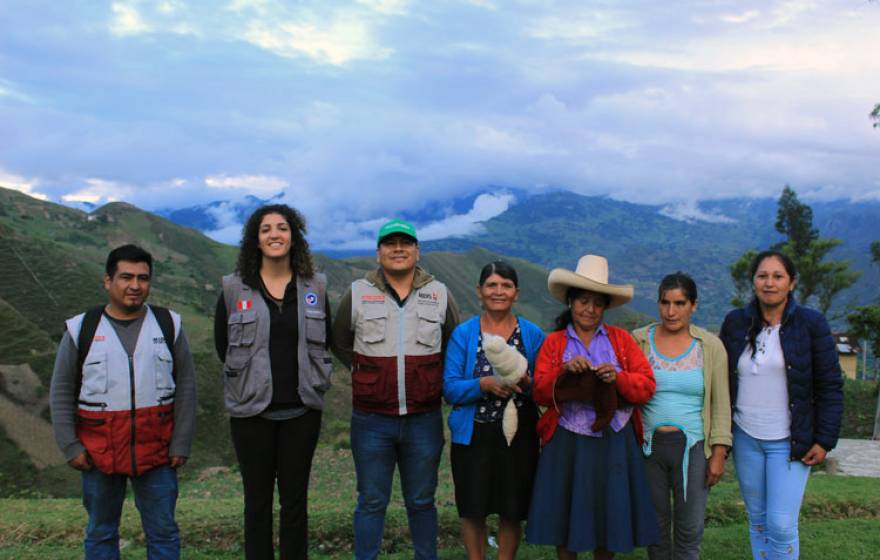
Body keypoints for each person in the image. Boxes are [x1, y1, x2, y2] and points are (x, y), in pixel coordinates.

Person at [49, 244, 197, 559]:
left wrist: (181, 443)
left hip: (157, 451)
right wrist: (70, 446)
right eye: (126, 277)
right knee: (101, 533)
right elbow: (61, 389)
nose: (135, 286)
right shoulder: (82, 329)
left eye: (143, 278)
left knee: (164, 533)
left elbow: (186, 385)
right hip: (98, 452)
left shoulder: (169, 325)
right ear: (108, 281)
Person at [332, 218, 460, 560]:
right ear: (379, 253)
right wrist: (367, 375)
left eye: (406, 243)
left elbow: (454, 344)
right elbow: (340, 341)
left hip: (424, 418)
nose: (398, 249)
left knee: (421, 501)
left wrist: (431, 379)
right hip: (372, 420)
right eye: (391, 244)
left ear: (417, 252)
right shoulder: (358, 293)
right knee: (371, 501)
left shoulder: (440, 293)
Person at [214, 204, 332, 560]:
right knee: (257, 503)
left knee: (295, 504)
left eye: (282, 228)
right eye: (266, 229)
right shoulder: (234, 289)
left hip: (302, 412)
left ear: (294, 236)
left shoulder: (316, 286)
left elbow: (325, 338)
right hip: (251, 414)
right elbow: (223, 345)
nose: (275, 234)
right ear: (256, 239)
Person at [526, 254, 659, 560]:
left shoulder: (622, 341)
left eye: (597, 303)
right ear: (571, 303)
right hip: (567, 439)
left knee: (608, 511)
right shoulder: (555, 343)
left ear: (605, 308)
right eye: (583, 301)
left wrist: (618, 378)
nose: (589, 309)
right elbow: (540, 392)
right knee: (566, 511)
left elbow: (646, 385)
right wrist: (565, 373)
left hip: (614, 438)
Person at [719, 250, 843, 560]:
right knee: (758, 520)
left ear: (791, 283)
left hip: (790, 440)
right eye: (763, 276)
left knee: (782, 524)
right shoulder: (736, 323)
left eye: (778, 276)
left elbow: (830, 385)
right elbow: (720, 380)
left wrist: (824, 439)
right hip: (746, 436)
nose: (769, 283)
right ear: (753, 282)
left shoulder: (811, 324)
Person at [443, 261, 545, 560]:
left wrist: (526, 383)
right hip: (473, 435)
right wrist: (483, 384)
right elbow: (449, 388)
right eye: (491, 285)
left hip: (519, 437)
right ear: (479, 291)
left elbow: (544, 389)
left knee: (512, 508)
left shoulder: (532, 334)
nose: (498, 291)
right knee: (473, 507)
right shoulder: (464, 335)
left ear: (516, 293)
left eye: (506, 285)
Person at [632, 272, 731, 560]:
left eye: (679, 303)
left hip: (694, 448)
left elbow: (720, 401)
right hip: (649, 447)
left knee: (689, 531)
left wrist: (719, 452)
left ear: (693, 306)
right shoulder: (639, 342)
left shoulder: (709, 347)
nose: (671, 311)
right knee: (656, 529)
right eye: (665, 303)